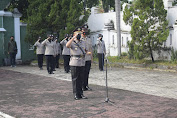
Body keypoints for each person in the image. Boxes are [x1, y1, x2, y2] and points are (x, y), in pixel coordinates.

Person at [66, 27, 88, 100]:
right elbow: (67, 45)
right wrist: (73, 38)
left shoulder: (83, 42)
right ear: (74, 34)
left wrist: (87, 53)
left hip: (81, 62)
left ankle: (81, 93)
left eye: (80, 33)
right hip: (74, 62)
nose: (79, 35)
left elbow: (85, 50)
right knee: (75, 79)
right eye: (77, 33)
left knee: (81, 79)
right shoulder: (72, 42)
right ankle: (76, 94)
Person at [81, 25, 93, 91]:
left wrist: (91, 57)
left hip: (88, 58)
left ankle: (86, 85)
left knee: (87, 73)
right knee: (82, 73)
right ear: (81, 31)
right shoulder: (80, 39)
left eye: (86, 30)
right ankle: (82, 86)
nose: (85, 31)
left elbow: (91, 49)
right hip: (82, 59)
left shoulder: (89, 39)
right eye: (84, 30)